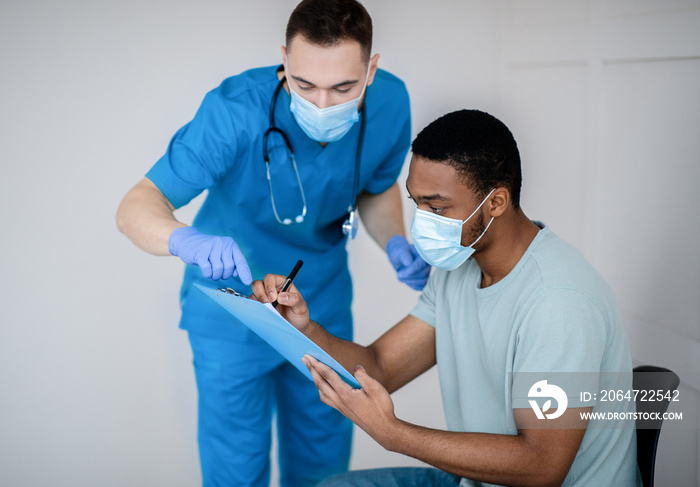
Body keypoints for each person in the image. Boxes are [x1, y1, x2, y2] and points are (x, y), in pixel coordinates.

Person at [115, 1, 430, 485]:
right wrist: (187, 241)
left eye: (343, 87)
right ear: (284, 60)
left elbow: (375, 185)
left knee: (323, 468)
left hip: (320, 308)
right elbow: (137, 205)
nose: (322, 105)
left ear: (371, 68)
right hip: (232, 313)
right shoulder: (234, 111)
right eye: (304, 85)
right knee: (236, 472)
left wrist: (394, 240)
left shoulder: (391, 103)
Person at [252, 109, 643, 486]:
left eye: (437, 207)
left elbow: (542, 465)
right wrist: (304, 328)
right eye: (416, 203)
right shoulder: (460, 268)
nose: (422, 221)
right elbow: (381, 366)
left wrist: (395, 435)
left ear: (496, 203)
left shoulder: (558, 301)